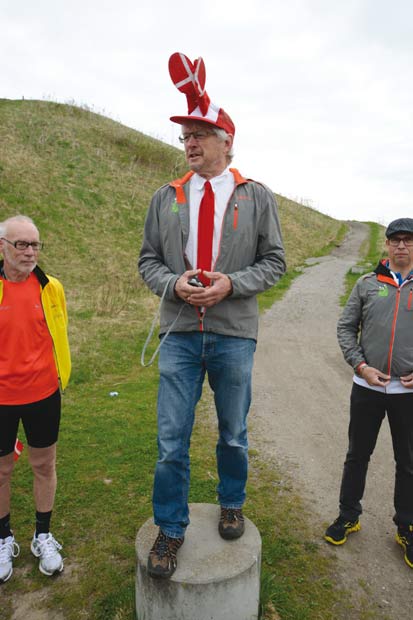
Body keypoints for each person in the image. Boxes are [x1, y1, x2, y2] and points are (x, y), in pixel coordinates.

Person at [138, 52, 286, 579]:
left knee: (233, 433)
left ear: (227, 141)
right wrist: (173, 283)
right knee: (170, 440)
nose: (191, 142)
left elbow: (275, 262)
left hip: (233, 336)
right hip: (178, 335)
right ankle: (171, 529)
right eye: (185, 136)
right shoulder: (166, 197)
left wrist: (232, 284)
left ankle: (231, 501)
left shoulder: (256, 196)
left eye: (201, 132)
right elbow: (147, 262)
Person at [325, 217, 413, 569]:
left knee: (408, 461)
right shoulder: (366, 284)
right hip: (367, 387)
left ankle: (406, 525)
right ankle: (348, 515)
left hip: (407, 393)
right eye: (396, 240)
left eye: (408, 240)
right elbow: (346, 328)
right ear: (387, 246)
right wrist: (361, 367)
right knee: (357, 454)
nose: (402, 246)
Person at [0, 215, 71, 583]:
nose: (29, 252)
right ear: (3, 247)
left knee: (44, 465)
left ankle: (43, 536)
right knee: (1, 471)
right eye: (21, 244)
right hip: (1, 400)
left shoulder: (51, 287)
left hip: (43, 394)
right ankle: (2, 538)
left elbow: (58, 333)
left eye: (35, 244)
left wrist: (61, 376)